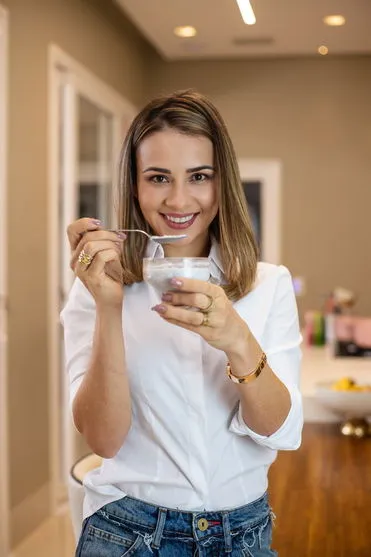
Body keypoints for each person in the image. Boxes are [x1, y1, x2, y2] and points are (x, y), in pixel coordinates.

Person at [61, 90, 303, 557]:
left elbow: (280, 431)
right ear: (134, 185)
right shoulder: (97, 286)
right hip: (127, 531)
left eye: (199, 176)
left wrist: (236, 339)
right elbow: (103, 440)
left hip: (244, 534)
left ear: (221, 183)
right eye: (158, 177)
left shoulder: (267, 284)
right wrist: (109, 306)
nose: (178, 198)